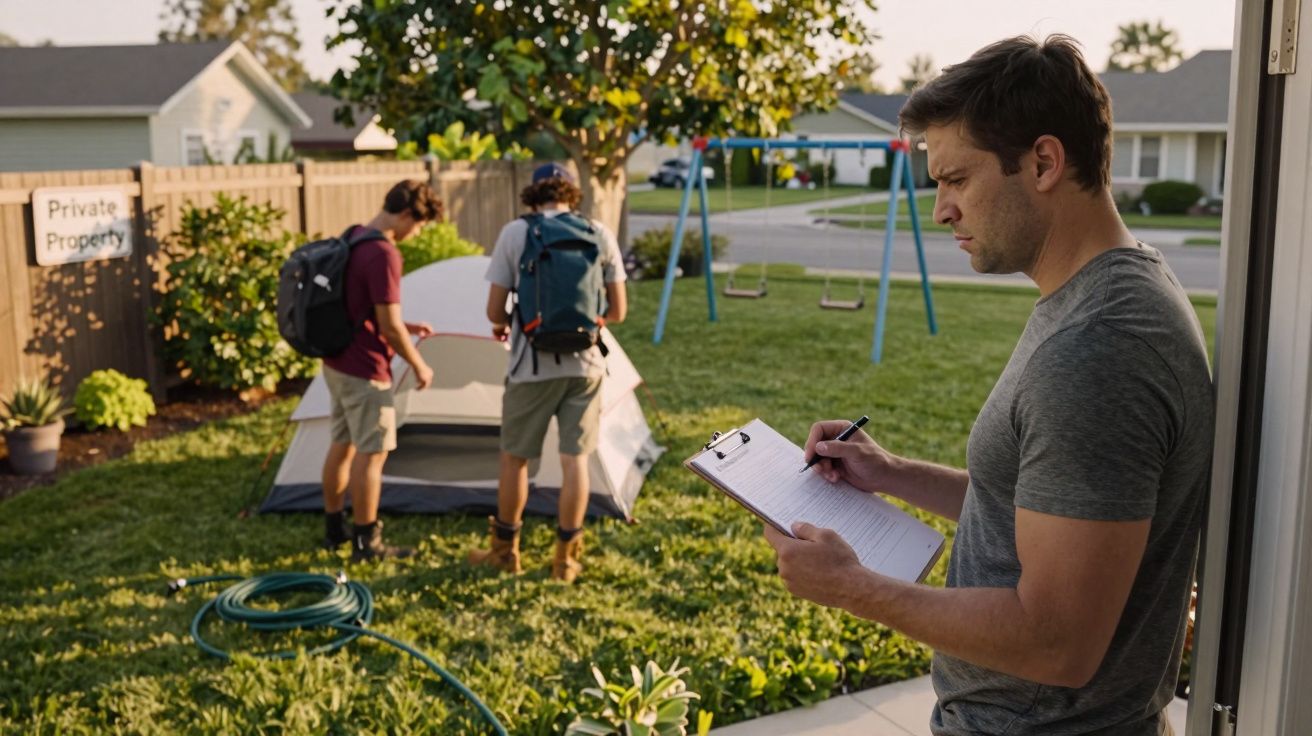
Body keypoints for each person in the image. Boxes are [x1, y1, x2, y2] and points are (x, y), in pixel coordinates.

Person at [764, 35, 1213, 735]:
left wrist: (852, 588)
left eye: (956, 179)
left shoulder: (1100, 347)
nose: (941, 209)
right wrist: (889, 473)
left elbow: (1058, 641)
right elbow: (1045, 511)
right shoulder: (1104, 298)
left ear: (1042, 162)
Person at [468, 162, 627, 583]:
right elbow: (618, 311)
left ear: (533, 193)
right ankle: (566, 560)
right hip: (587, 366)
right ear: (571, 192)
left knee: (515, 459)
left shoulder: (516, 233)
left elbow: (492, 309)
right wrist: (583, 325)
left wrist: (508, 323)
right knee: (575, 460)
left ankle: (505, 552)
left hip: (530, 367)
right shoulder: (599, 232)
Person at [320, 180, 441, 561]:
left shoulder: (353, 236)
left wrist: (408, 326)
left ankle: (333, 528)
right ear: (406, 215)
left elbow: (363, 308)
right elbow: (387, 325)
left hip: (337, 362)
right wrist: (419, 363)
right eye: (418, 226)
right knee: (371, 456)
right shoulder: (384, 254)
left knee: (342, 445)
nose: (415, 233)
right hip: (366, 371)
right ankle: (366, 543)